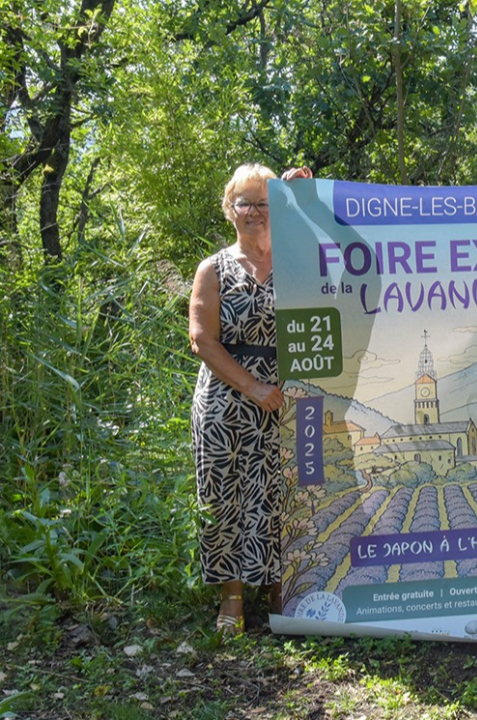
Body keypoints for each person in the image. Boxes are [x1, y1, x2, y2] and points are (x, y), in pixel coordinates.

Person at [188, 163, 312, 634]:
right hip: (228, 401)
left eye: (265, 202)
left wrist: (306, 198)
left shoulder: (299, 262)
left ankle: (284, 589)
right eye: (246, 203)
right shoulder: (213, 268)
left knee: (283, 493)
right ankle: (233, 600)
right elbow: (202, 339)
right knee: (227, 496)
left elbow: (353, 265)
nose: (256, 212)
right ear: (229, 210)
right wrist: (254, 387)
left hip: (286, 401)